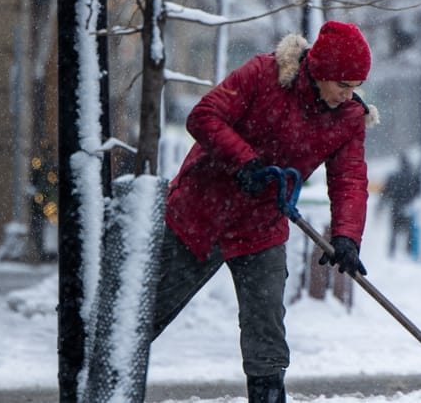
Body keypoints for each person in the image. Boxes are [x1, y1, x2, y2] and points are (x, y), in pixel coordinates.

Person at [152, 21, 377, 403]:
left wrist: (346, 236)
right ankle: (97, 376)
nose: (348, 94)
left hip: (261, 227)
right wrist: (245, 163)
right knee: (150, 311)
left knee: (266, 332)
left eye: (354, 87)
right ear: (320, 70)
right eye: (343, 84)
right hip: (201, 214)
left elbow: (350, 179)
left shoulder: (348, 117)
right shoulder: (264, 75)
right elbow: (203, 117)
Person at [378, 153, 419, 258]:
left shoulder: (394, 176)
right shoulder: (413, 177)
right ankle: (408, 252)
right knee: (409, 232)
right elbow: (417, 193)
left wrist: (380, 207)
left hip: (395, 207)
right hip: (409, 207)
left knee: (394, 231)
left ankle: (392, 251)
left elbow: (386, 193)